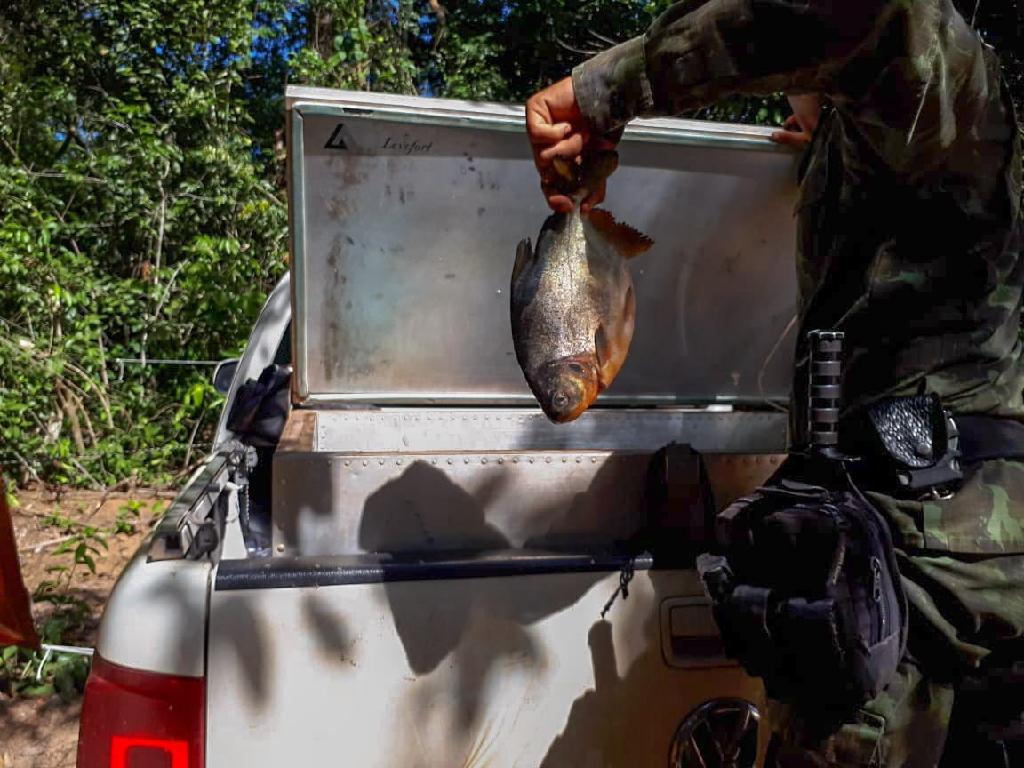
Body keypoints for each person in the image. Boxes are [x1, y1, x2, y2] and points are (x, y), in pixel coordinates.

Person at [525, 1, 1023, 765]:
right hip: (940, 567)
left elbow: (862, 16)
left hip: (916, 581)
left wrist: (605, 92)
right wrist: (829, 149)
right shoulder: (897, 146)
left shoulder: (947, 80)